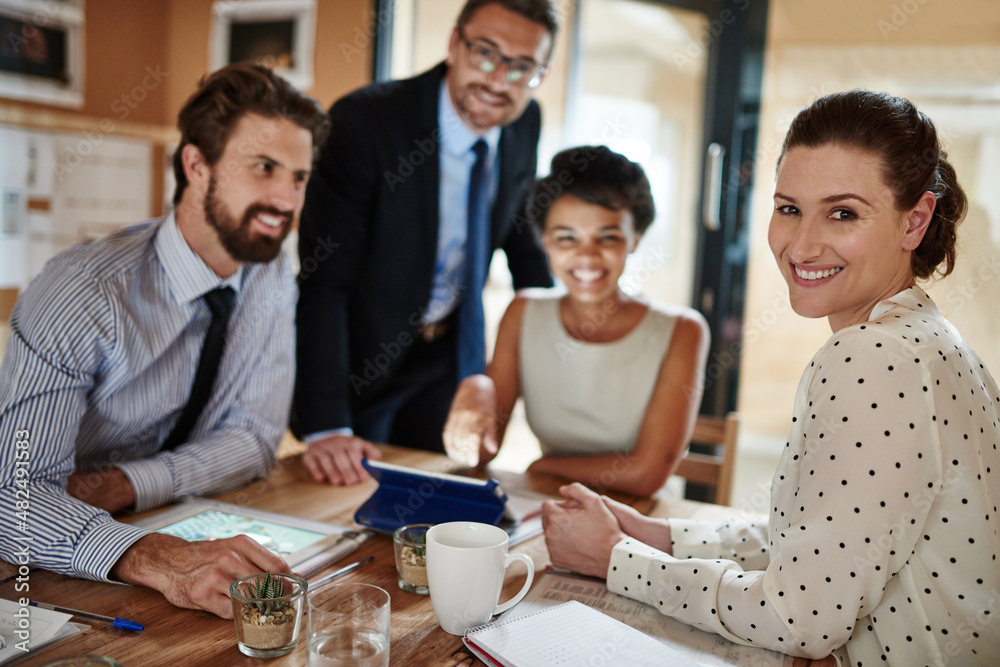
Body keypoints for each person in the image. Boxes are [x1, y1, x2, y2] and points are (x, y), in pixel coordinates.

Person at [541, 90, 1000, 665]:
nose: (802, 245)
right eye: (789, 208)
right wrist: (656, 536)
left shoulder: (875, 356)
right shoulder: (927, 337)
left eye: (843, 213)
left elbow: (798, 617)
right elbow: (819, 538)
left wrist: (614, 559)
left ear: (915, 222)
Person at [0, 63, 330, 619]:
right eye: (264, 167)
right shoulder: (81, 292)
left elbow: (253, 440)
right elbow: (15, 499)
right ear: (197, 165)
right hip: (56, 572)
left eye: (298, 177)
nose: (286, 199)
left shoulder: (270, 273)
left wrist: (127, 483)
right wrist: (156, 557)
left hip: (179, 536)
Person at [294, 0, 559, 486]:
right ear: (454, 44)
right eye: (485, 54)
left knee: (436, 505)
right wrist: (327, 423)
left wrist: (567, 326)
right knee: (351, 498)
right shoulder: (366, 121)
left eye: (522, 67)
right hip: (364, 358)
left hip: (450, 359)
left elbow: (519, 235)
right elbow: (324, 278)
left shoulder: (524, 122)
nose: (499, 81)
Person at [442, 146, 709, 496]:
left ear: (636, 238)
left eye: (608, 237)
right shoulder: (523, 312)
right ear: (545, 242)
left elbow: (646, 475)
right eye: (566, 237)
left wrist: (544, 467)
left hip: (639, 519)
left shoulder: (682, 330)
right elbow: (482, 451)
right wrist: (475, 390)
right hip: (552, 506)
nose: (586, 255)